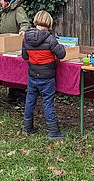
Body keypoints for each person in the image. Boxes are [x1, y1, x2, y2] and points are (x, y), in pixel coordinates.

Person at [21, 10, 66, 141]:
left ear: (35, 21)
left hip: (32, 75)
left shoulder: (26, 38)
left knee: (30, 101)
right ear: (49, 22)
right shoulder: (51, 39)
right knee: (47, 103)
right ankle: (53, 131)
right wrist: (60, 46)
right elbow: (61, 54)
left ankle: (27, 127)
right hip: (47, 78)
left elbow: (25, 56)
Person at [0, 0, 31, 104]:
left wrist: (23, 30)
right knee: (10, 70)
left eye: (0, 0)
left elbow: (25, 23)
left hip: (17, 45)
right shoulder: (5, 11)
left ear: (7, 0)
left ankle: (21, 95)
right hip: (6, 45)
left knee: (18, 70)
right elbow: (5, 26)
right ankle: (12, 94)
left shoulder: (18, 10)